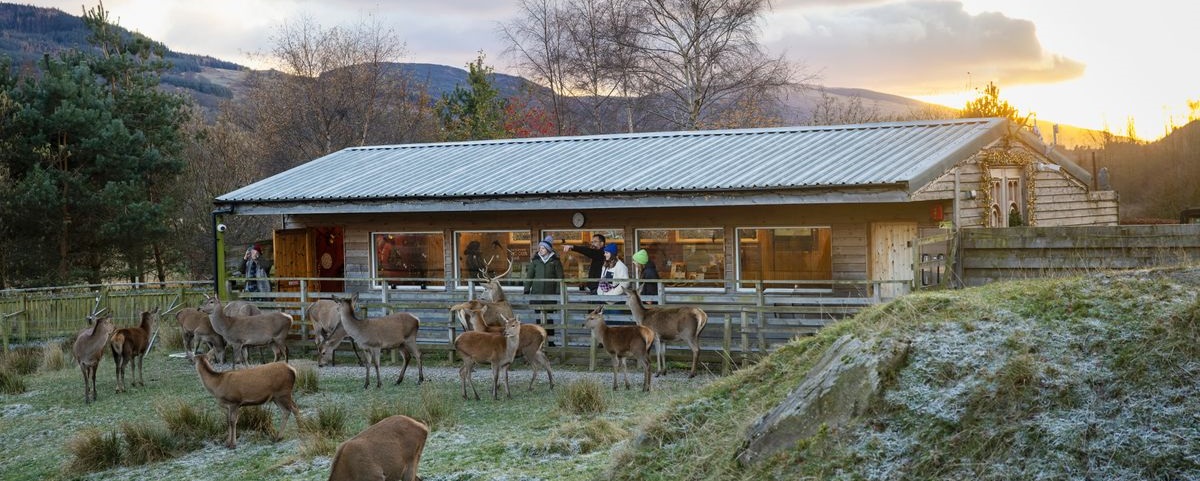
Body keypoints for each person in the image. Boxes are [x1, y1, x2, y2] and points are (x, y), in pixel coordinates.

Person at [525, 235, 563, 344]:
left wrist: (557, 292)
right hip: (537, 294)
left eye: (542, 248)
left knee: (549, 317)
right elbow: (529, 276)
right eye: (540, 248)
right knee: (539, 318)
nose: (540, 250)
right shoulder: (535, 261)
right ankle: (540, 340)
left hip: (550, 294)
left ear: (548, 249)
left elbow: (560, 278)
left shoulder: (555, 261)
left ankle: (550, 340)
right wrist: (527, 288)